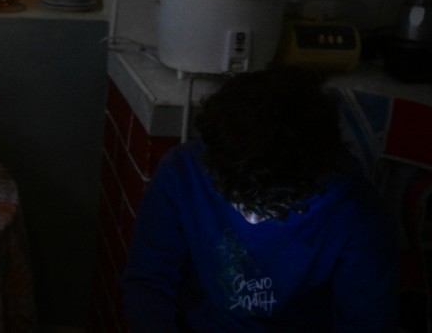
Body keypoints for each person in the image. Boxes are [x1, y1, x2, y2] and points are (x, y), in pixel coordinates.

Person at [121, 67, 399, 331]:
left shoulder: (357, 212)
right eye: (237, 199)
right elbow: (149, 282)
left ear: (318, 175)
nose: (252, 219)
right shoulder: (183, 171)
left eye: (274, 206)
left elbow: (364, 323)